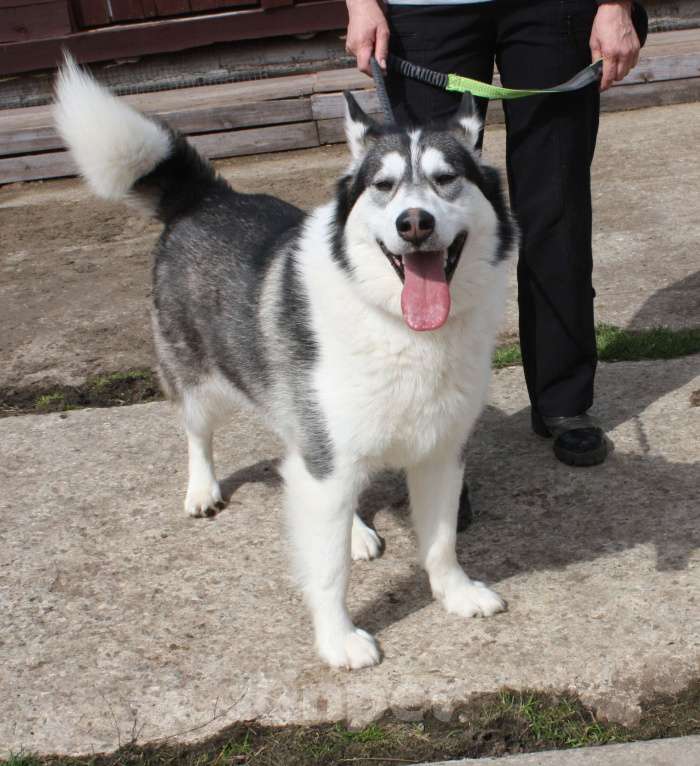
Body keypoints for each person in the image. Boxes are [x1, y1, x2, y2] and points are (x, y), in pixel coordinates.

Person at [345, 0, 643, 470]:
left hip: (553, 12)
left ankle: (564, 400)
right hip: (425, 11)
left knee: (556, 208)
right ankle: (433, 444)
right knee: (425, 231)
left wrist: (614, 5)